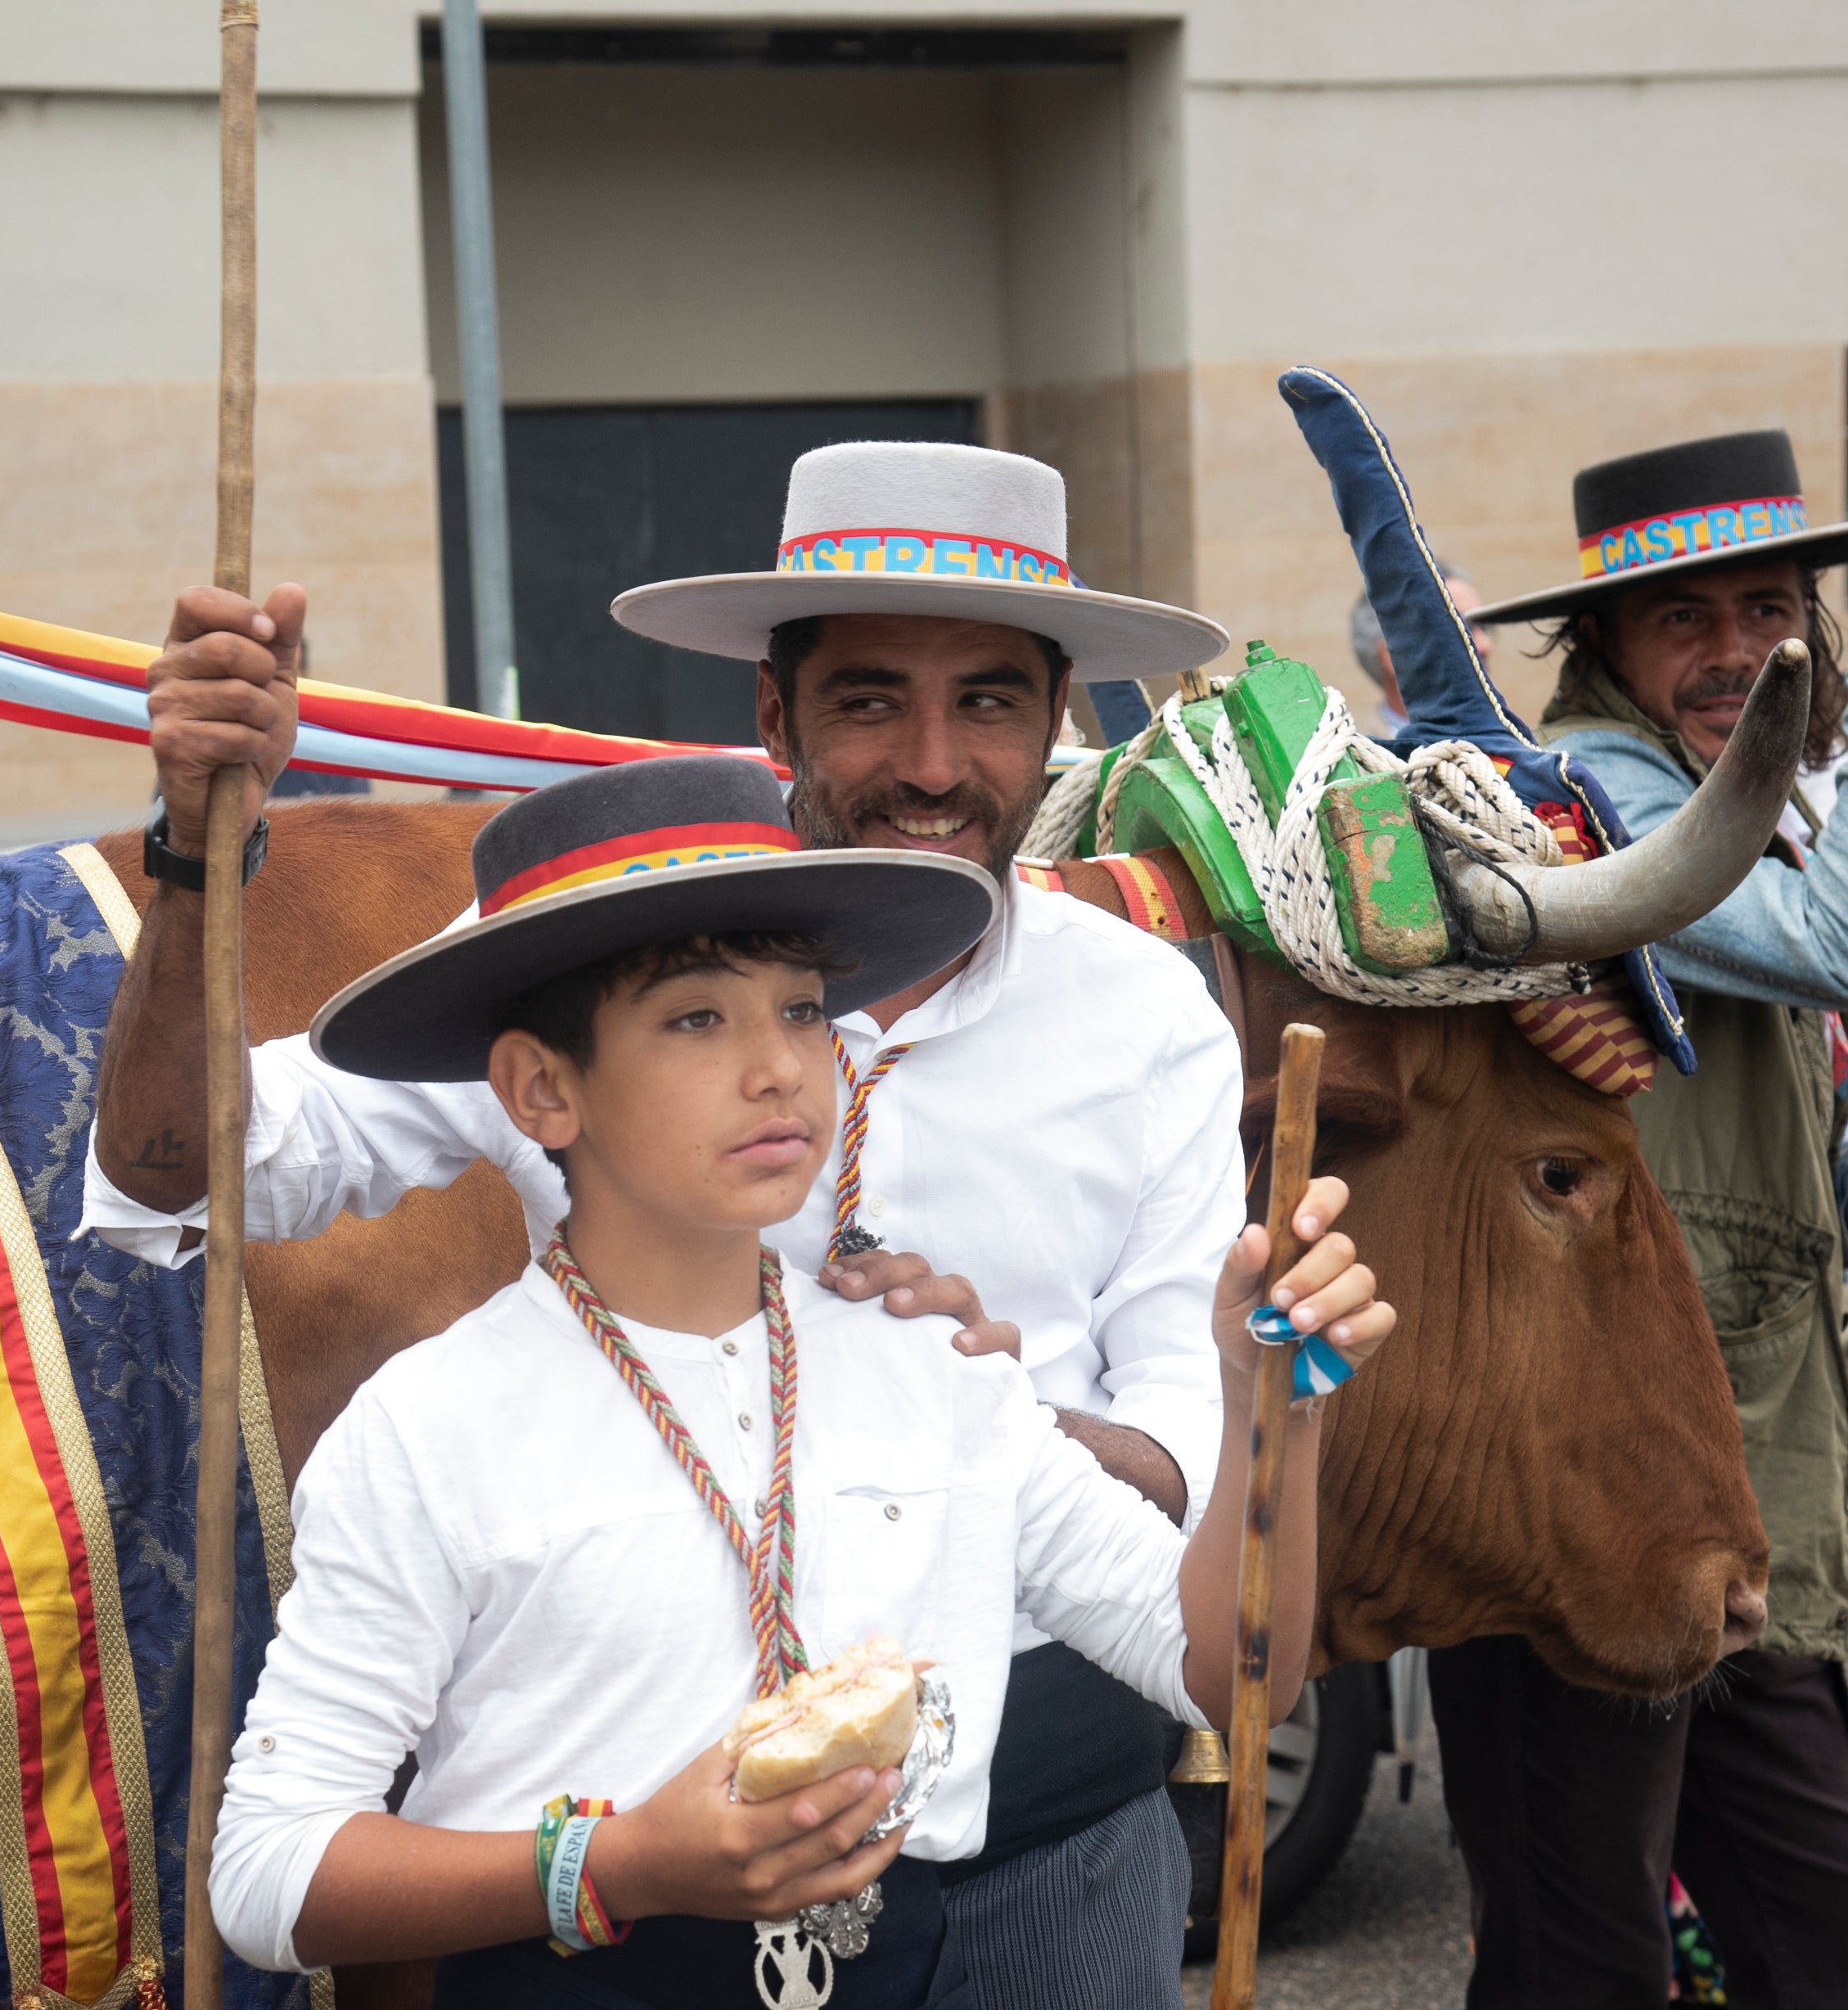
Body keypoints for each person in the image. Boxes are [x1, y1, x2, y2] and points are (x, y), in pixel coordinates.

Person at [88, 442, 1254, 2003]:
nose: (930, 762)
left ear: (1058, 721)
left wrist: (960, 1411)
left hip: (1053, 1836)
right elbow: (189, 1170)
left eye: (988, 700)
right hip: (639, 1888)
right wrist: (190, 856)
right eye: (865, 701)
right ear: (774, 715)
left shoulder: (1149, 1014)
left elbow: (1185, 1444)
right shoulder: (586, 957)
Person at [202, 754, 1394, 2006]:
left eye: (804, 1010)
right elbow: (272, 1875)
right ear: (543, 1089)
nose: (779, 1067)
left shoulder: (936, 1381)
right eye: (698, 1019)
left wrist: (1275, 1416)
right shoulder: (434, 1426)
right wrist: (622, 1866)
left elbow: (1225, 1670)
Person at [1430, 425, 1848, 2006]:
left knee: (1840, 1923)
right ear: (1601, 645)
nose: (1737, 653)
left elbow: (1688, 1106)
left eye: (1768, 611)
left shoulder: (1750, 795)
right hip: (1585, 1482)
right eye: (1685, 618)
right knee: (1585, 1958)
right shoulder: (1587, 795)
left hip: (1737, 1483)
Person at [1345, 562, 1487, 740]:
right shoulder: (1348, 763)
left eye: (1484, 627)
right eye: (1462, 630)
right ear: (1395, 655)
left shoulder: (1521, 751)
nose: (1485, 645)